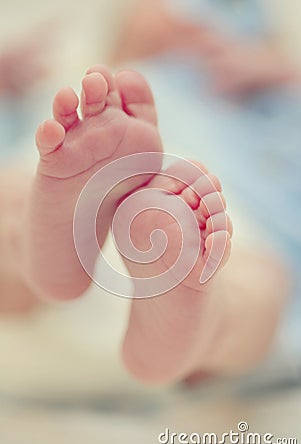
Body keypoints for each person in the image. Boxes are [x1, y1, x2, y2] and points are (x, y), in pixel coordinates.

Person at [9, 65, 287, 384]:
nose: (200, 27)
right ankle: (39, 249)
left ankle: (198, 321)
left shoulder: (272, 105)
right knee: (13, 193)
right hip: (80, 170)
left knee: (260, 281)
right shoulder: (70, 99)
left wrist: (279, 73)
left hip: (206, 211)